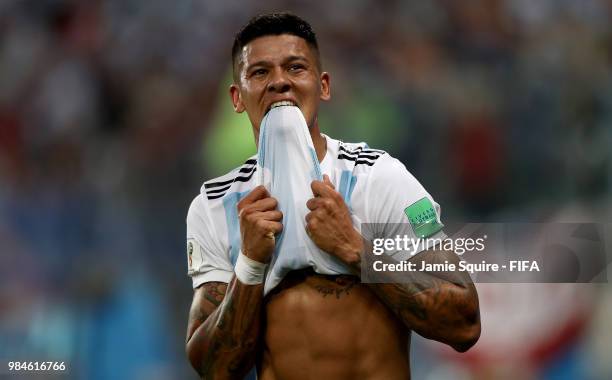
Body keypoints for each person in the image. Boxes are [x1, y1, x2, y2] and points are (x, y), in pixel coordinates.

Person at [185, 12, 480, 380]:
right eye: (259, 72)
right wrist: (249, 265)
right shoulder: (214, 207)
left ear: (323, 85)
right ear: (237, 96)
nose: (279, 82)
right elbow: (212, 369)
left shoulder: (381, 179)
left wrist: (358, 251)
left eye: (295, 68)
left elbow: (465, 322)